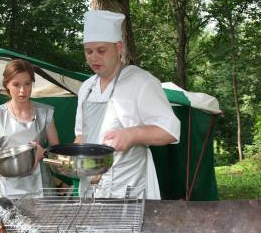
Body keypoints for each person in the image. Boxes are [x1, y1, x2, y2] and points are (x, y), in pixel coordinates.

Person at [74, 10, 181, 199]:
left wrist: (133, 134)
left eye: (101, 50)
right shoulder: (87, 88)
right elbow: (81, 136)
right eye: (88, 51)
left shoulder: (140, 82)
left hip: (128, 190)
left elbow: (170, 130)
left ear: (119, 48)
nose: (93, 58)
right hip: (90, 189)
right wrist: (70, 157)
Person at [0, 59, 59, 198]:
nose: (22, 90)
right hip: (9, 192)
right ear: (7, 85)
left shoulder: (45, 113)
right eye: (16, 85)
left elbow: (58, 153)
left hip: (43, 190)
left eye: (27, 84)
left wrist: (45, 153)